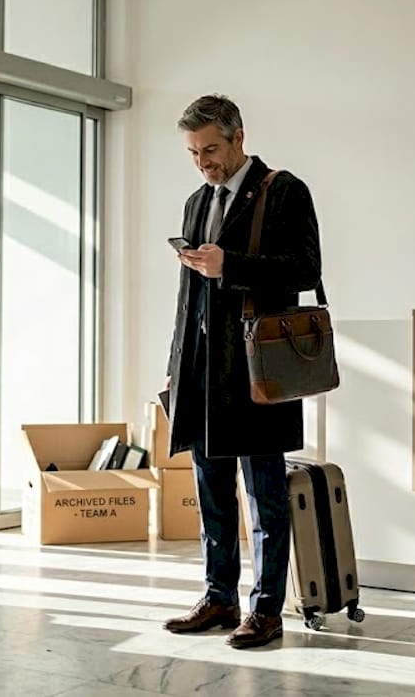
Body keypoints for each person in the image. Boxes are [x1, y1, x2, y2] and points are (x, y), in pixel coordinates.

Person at [161, 94, 324, 649]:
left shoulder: (283, 190)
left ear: (238, 138)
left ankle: (267, 609)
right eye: (193, 151)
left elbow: (304, 269)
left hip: (258, 368)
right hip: (203, 368)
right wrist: (173, 368)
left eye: (210, 148)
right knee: (210, 489)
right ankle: (219, 596)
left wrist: (230, 265)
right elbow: (188, 296)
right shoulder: (194, 202)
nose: (203, 161)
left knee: (264, 491)